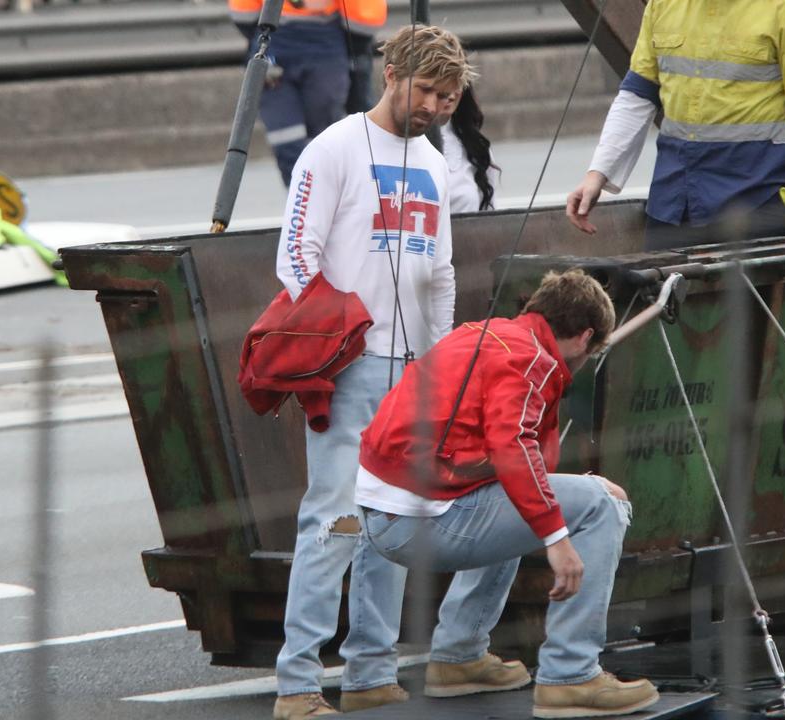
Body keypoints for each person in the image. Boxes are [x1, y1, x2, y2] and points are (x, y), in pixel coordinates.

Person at [270, 25, 474, 720]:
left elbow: (440, 270)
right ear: (390, 73)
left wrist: (439, 359)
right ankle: (297, 684)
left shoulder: (436, 161)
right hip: (352, 366)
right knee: (335, 520)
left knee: (391, 521)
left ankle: (370, 670)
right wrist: (337, 336)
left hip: (415, 369)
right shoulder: (332, 150)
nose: (436, 108)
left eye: (448, 98)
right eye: (426, 92)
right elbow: (297, 255)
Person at [356, 269, 658, 719]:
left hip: (384, 514)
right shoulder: (531, 360)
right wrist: (558, 537)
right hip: (422, 520)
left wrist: (556, 502)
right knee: (604, 504)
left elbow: (510, 462)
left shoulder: (485, 333)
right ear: (585, 338)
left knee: (526, 496)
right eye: (591, 351)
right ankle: (571, 675)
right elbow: (513, 444)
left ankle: (459, 658)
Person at [566, 0, 785, 249]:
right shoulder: (663, 5)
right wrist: (597, 175)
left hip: (756, 207)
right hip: (673, 206)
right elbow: (636, 97)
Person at [230, 0, 386, 186]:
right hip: (311, 44)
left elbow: (243, 15)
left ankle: (315, 199)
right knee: (296, 138)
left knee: (317, 141)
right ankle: (306, 200)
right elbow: (363, 22)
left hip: (303, 41)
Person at [441, 84, 501, 214]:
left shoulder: (476, 148)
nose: (450, 95)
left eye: (456, 81)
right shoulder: (406, 145)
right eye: (441, 78)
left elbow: (490, 219)